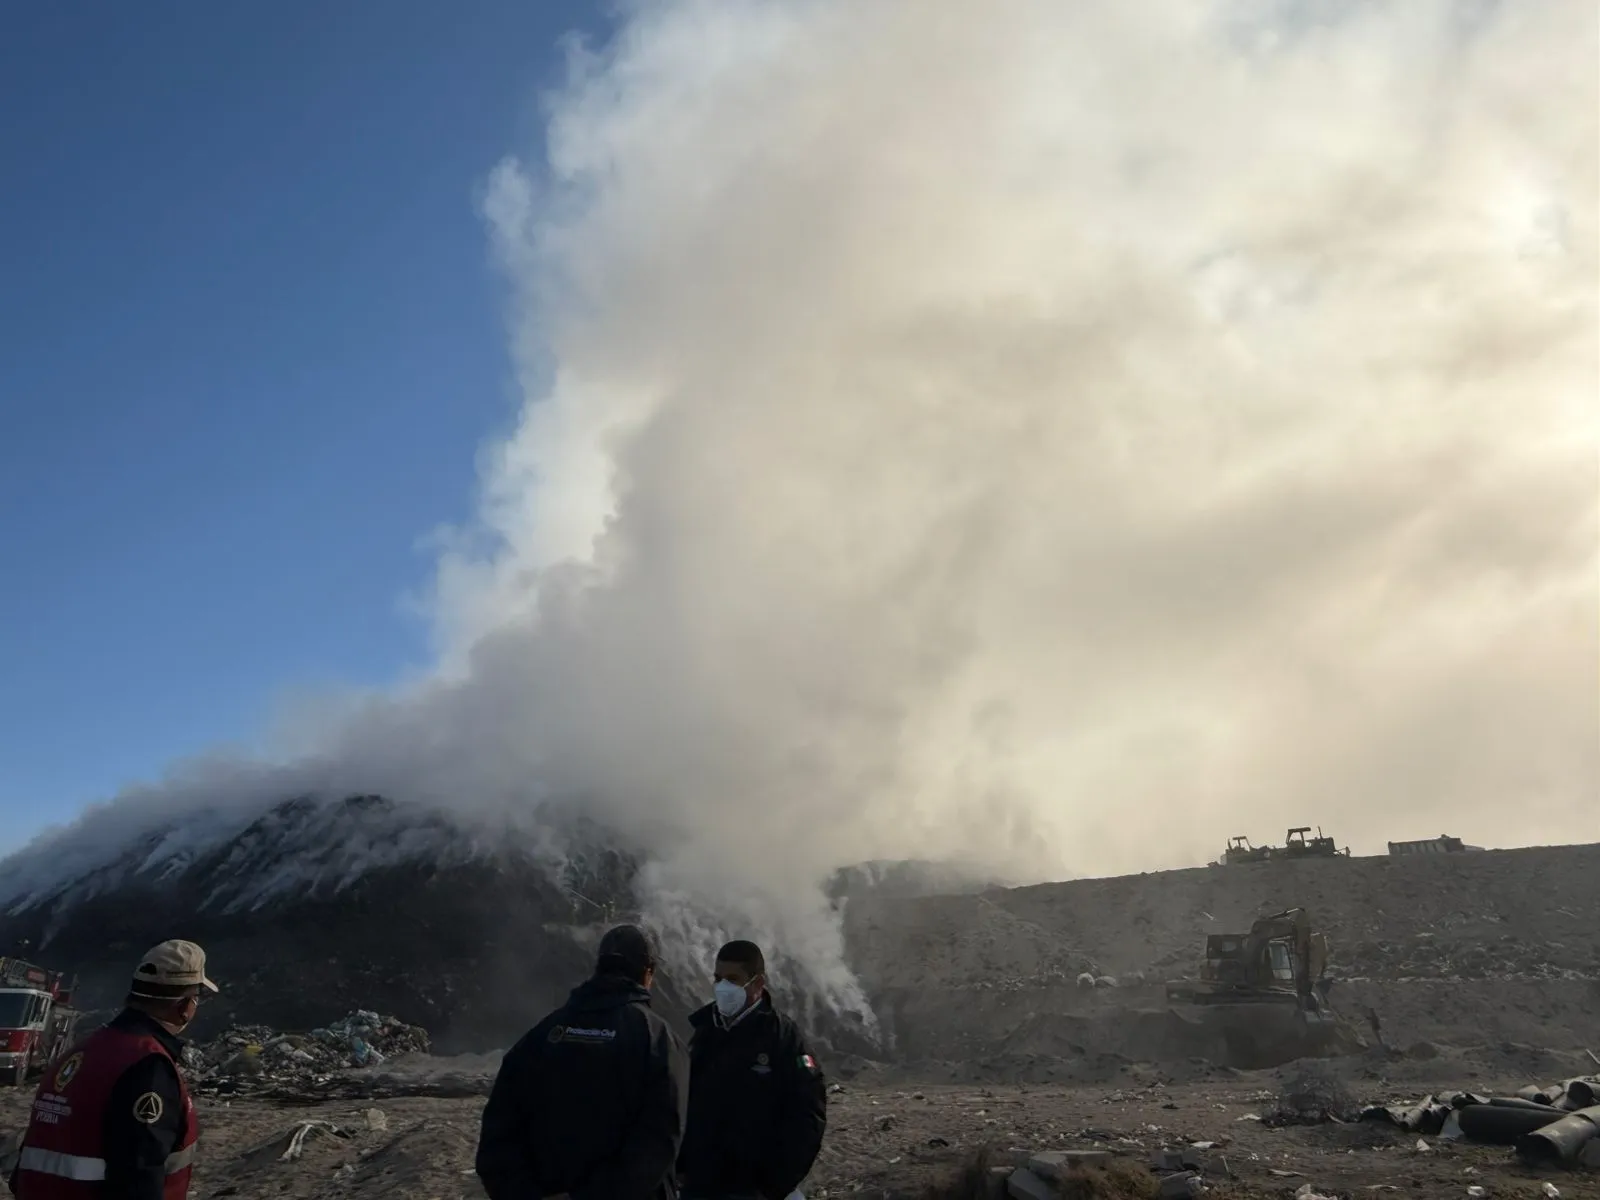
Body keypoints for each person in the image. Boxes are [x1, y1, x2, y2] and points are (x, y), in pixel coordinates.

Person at [476, 924, 690, 1200]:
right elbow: (659, 1143)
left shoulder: (541, 1036)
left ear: (599, 965)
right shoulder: (660, 1041)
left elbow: (498, 1133)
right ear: (648, 973)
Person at [9, 939, 219, 1200]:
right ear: (184, 1006)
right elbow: (139, 1176)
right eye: (197, 998)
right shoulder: (147, 1066)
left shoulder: (81, 1053)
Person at [677, 941, 827, 1200]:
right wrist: (682, 1167)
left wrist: (775, 1186)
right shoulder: (705, 1032)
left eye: (733, 979)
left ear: (758, 983)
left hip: (754, 1187)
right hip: (701, 1183)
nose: (723, 987)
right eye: (718, 979)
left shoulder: (784, 1039)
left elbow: (807, 1117)